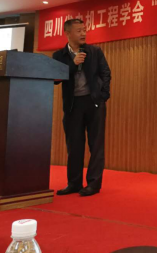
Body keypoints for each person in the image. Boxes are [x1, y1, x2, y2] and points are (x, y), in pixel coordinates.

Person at [52, 19, 111, 197]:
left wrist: (103, 95)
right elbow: (55, 79)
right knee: (74, 146)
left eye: (84, 30)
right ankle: (74, 183)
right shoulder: (59, 55)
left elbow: (106, 73)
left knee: (96, 145)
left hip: (94, 103)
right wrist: (73, 64)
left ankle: (93, 184)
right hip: (72, 105)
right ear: (68, 33)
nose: (83, 33)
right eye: (78, 31)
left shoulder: (94, 51)